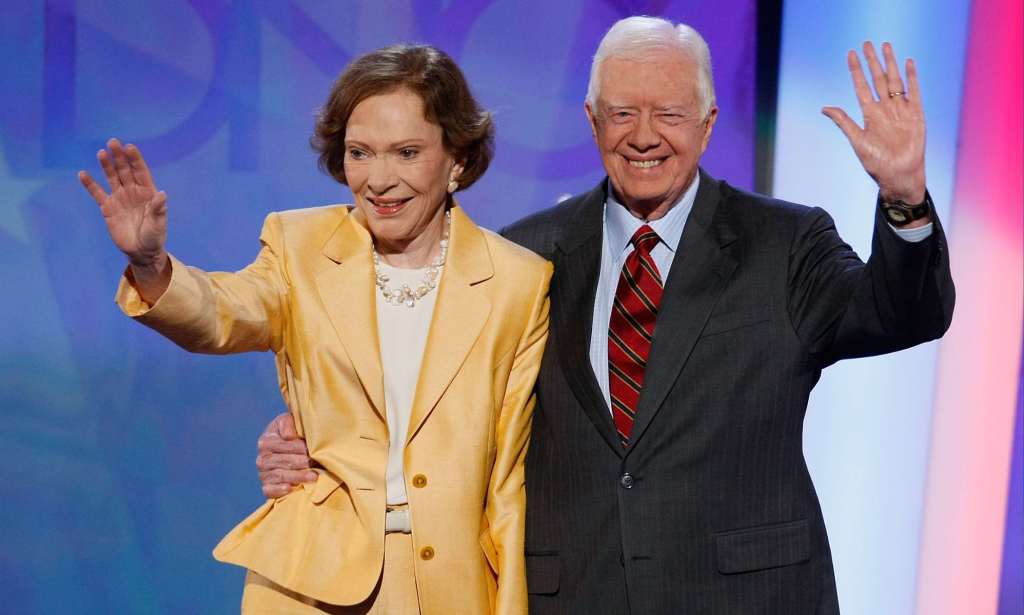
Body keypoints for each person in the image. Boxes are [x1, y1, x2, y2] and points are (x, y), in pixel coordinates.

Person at [256, 17, 954, 614]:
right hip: (576, 593)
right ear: (593, 121)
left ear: (708, 124)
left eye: (670, 114)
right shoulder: (522, 259)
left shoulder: (785, 242)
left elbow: (902, 313)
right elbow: (439, 412)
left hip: (747, 595)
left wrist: (905, 201)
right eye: (622, 113)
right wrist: (320, 446)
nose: (644, 136)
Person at [79, 44, 551, 614]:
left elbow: (506, 486)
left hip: (453, 589)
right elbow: (220, 313)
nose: (379, 179)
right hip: (312, 585)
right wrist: (153, 265)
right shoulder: (299, 247)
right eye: (360, 152)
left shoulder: (517, 282)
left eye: (406, 152)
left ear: (456, 159)